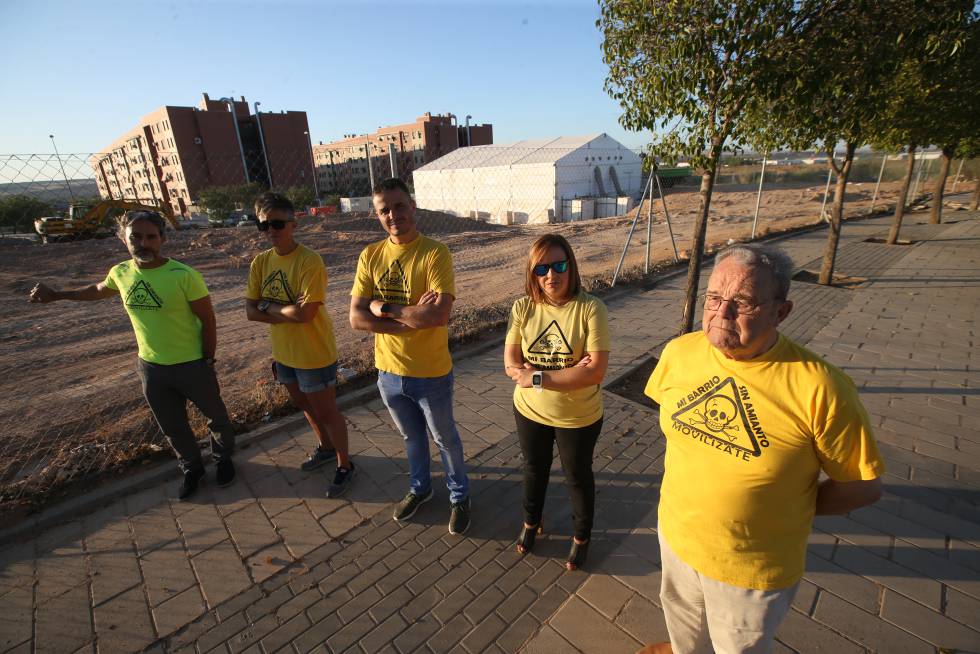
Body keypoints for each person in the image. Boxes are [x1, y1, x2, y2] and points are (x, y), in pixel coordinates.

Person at [637, 244, 884, 654]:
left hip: (749, 569)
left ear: (780, 312)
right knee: (685, 639)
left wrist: (789, 503)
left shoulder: (821, 388)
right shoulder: (679, 353)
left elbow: (863, 485)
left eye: (743, 302)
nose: (721, 313)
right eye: (714, 298)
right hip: (677, 540)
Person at [28, 210, 236, 500]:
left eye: (151, 237)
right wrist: (58, 294)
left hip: (192, 363)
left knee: (216, 417)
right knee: (173, 426)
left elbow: (208, 320)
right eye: (135, 237)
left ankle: (223, 460)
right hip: (152, 367)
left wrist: (208, 360)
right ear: (122, 239)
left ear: (162, 239)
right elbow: (98, 290)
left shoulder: (184, 275)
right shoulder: (121, 273)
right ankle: (192, 468)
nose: (144, 243)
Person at [349, 177, 471, 535]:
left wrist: (383, 306)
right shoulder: (370, 256)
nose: (393, 215)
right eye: (384, 210)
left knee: (445, 439)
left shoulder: (434, 253)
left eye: (399, 206)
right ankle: (420, 489)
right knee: (411, 438)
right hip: (388, 373)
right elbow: (357, 318)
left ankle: (459, 496)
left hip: (430, 372)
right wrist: (407, 319)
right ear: (377, 215)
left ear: (412, 206)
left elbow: (436, 316)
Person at [504, 234, 610, 571]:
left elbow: (595, 372)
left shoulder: (591, 308)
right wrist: (567, 371)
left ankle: (582, 536)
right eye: (542, 268)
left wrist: (536, 376)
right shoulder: (522, 308)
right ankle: (531, 522)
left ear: (572, 266)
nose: (552, 275)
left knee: (577, 476)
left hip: (578, 416)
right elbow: (510, 364)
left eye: (559, 265)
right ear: (533, 273)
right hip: (530, 410)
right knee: (534, 469)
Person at [245, 192, 354, 497]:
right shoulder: (260, 262)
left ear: (293, 224)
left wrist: (268, 306)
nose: (271, 231)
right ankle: (325, 447)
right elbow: (250, 312)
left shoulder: (309, 261)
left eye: (278, 224)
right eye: (264, 225)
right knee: (305, 406)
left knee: (327, 410)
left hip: (313, 352)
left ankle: (345, 464)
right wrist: (283, 310)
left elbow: (306, 314)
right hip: (284, 353)